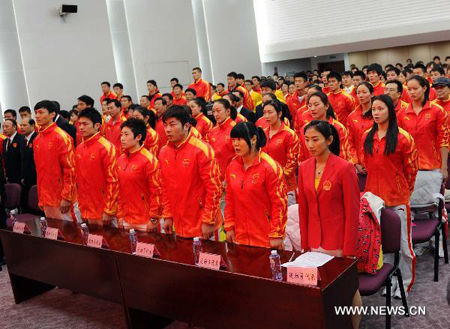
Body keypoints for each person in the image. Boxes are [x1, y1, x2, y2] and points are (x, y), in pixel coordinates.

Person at [297, 120, 361, 328]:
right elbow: (303, 210)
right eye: (307, 140)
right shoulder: (304, 168)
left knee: (347, 290)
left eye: (315, 140)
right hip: (315, 240)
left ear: (329, 140)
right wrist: (305, 243)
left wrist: (349, 248)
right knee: (321, 290)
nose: (310, 145)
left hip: (339, 242)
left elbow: (353, 211)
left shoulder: (344, 168)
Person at [362, 94, 418, 296]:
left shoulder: (403, 137)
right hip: (374, 199)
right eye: (374, 109)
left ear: (390, 111)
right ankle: (390, 279)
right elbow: (368, 165)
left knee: (403, 244)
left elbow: (411, 170)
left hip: (398, 198)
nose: (376, 113)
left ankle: (405, 282)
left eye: (380, 109)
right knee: (382, 244)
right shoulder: (367, 136)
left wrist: (404, 190)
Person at [159, 106, 222, 238]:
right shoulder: (164, 152)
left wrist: (208, 220)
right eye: (165, 125)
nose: (168, 129)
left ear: (186, 125)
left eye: (172, 125)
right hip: (179, 221)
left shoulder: (201, 149)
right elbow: (164, 187)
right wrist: (168, 215)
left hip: (202, 222)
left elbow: (214, 188)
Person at [224, 122, 287, 248]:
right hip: (240, 235)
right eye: (233, 140)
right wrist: (229, 226)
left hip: (265, 237)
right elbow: (230, 199)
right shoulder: (232, 165)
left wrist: (276, 234)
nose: (235, 144)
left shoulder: (269, 167)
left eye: (240, 139)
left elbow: (279, 204)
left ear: (253, 139)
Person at [398, 76, 448, 181]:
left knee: (432, 197)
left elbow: (444, 141)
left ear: (424, 88)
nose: (412, 92)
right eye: (409, 89)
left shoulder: (437, 111)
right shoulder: (402, 113)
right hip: (409, 167)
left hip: (432, 166)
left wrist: (444, 167)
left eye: (415, 89)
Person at [75, 108, 118, 226]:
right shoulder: (79, 148)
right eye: (79, 124)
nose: (81, 127)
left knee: (108, 242)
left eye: (85, 124)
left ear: (97, 125)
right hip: (85, 207)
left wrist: (109, 210)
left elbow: (113, 181)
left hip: (103, 209)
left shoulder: (106, 148)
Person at [33, 100, 76, 221]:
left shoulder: (62, 137)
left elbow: (70, 169)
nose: (37, 116)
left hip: (62, 197)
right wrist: (41, 198)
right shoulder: (37, 139)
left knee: (69, 236)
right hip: (47, 197)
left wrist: (67, 197)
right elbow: (40, 172)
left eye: (41, 112)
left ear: (52, 114)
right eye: (35, 113)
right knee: (53, 234)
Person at [117, 118, 161, 231]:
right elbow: (120, 190)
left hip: (145, 220)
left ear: (138, 137)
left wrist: (153, 218)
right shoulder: (121, 159)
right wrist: (120, 215)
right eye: (121, 134)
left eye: (126, 134)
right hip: (126, 218)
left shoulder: (149, 160)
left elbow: (156, 192)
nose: (122, 138)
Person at [298, 92, 354, 163]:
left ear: (326, 106)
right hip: (310, 170)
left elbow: (343, 155)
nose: (312, 109)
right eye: (309, 105)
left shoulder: (338, 127)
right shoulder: (305, 129)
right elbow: (301, 156)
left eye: (316, 105)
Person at [261, 100, 299, 203]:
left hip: (285, 186)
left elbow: (292, 163)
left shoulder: (289, 135)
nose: (266, 116)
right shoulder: (262, 133)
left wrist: (276, 177)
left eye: (270, 112)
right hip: (265, 186)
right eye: (264, 113)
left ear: (279, 113)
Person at [206, 99, 236, 182]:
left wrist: (228, 178)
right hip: (215, 178)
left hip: (231, 179)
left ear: (228, 111)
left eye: (218, 111)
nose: (215, 114)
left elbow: (240, 157)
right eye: (213, 111)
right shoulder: (213, 131)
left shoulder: (235, 129)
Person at [347, 82, 374, 174]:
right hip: (359, 165)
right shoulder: (352, 116)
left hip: (377, 164)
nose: (361, 95)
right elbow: (350, 141)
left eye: (364, 92)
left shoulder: (378, 114)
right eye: (358, 93)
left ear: (372, 94)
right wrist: (356, 163)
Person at [20, 118, 37, 210]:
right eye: (21, 125)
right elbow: (22, 160)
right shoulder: (22, 140)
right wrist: (22, 176)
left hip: (36, 176)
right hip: (26, 177)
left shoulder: (37, 138)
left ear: (32, 126)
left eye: (24, 125)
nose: (22, 127)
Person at [2, 119, 25, 183]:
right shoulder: (5, 141)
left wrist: (23, 176)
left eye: (7, 127)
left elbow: (23, 159)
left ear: (14, 127)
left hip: (20, 177)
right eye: (3, 127)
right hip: (10, 177)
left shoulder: (22, 139)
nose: (4, 129)